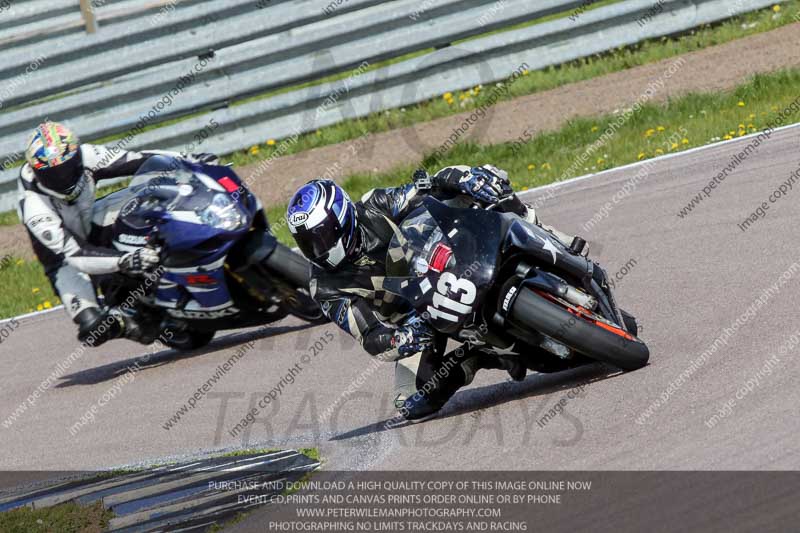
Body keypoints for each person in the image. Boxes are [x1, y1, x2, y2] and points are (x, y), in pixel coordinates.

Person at [286, 164, 582, 421]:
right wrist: (400, 339)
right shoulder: (323, 287)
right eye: (307, 242)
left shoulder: (374, 204)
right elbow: (370, 335)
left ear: (342, 218)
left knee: (479, 181)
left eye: (322, 236)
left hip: (446, 259)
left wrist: (459, 180)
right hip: (417, 318)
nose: (318, 249)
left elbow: (424, 189)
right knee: (411, 399)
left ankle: (550, 236)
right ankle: (479, 355)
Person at [17, 121, 217, 347]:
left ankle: (182, 251)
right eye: (52, 175)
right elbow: (76, 254)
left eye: (67, 168)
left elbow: (140, 159)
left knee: (150, 199)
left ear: (77, 157)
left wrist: (190, 160)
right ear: (36, 170)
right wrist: (125, 261)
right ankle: (131, 322)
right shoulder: (35, 208)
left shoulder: (88, 155)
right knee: (93, 328)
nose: (62, 178)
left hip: (92, 222)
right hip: (67, 260)